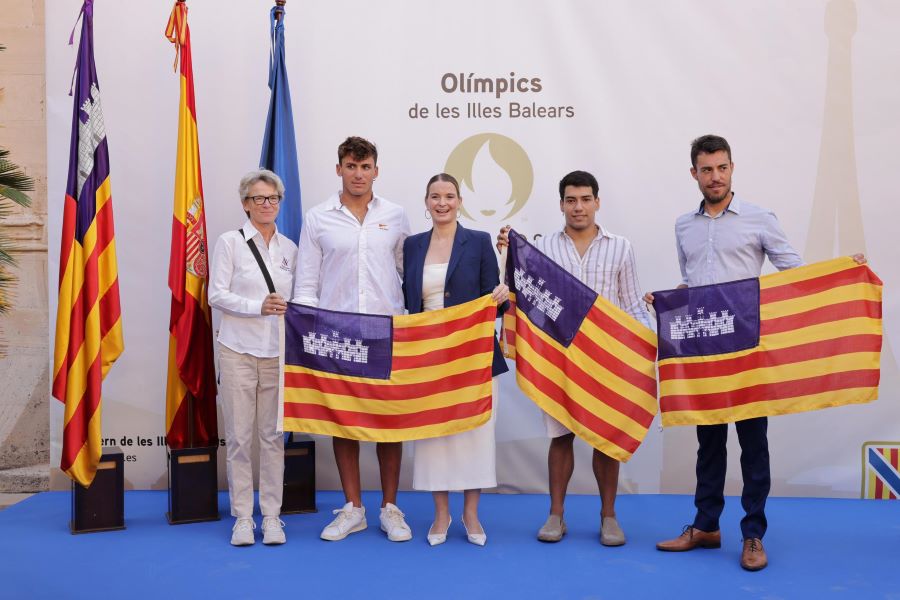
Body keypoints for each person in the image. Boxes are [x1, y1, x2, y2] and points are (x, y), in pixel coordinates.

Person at [647, 134, 866, 571]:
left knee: (753, 444)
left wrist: (841, 273)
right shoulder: (683, 225)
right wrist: (673, 297)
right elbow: (692, 282)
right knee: (707, 442)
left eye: (722, 168)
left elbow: (794, 274)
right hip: (703, 350)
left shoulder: (760, 218)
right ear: (694, 174)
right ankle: (706, 525)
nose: (715, 176)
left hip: (748, 348)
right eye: (706, 169)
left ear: (732, 169)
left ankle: (752, 535)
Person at [498, 170, 652, 546]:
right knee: (560, 437)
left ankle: (609, 517)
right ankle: (556, 514)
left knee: (605, 438)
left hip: (606, 359)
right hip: (560, 359)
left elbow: (631, 303)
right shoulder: (545, 246)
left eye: (585, 199)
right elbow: (525, 293)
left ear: (597, 202)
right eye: (571, 200)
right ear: (562, 204)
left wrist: (650, 343)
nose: (578, 207)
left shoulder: (621, 247)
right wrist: (508, 250)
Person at [292, 136, 413, 542]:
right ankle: (353, 508)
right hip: (335, 334)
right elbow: (307, 281)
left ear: (376, 170)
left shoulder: (396, 216)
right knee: (342, 421)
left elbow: (406, 274)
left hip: (385, 333)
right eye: (351, 166)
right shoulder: (317, 218)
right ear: (339, 168)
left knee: (387, 423)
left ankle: (390, 509)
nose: (358, 174)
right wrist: (307, 328)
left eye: (366, 167)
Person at [402, 173, 510, 546]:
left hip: (474, 356)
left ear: (460, 201)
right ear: (426, 201)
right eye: (435, 196)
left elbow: (495, 300)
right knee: (434, 437)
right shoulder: (412, 245)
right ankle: (441, 514)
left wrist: (500, 295)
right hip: (429, 357)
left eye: (449, 196)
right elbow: (408, 302)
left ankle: (471, 514)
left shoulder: (479, 242)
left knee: (476, 434)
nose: (442, 202)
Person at [209, 169, 297, 546]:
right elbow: (216, 294)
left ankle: (273, 516)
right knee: (240, 439)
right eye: (259, 199)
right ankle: (243, 517)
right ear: (245, 204)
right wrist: (256, 306)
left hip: (277, 354)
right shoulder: (230, 242)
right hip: (237, 352)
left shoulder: (290, 249)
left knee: (273, 437)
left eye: (273, 198)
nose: (267, 205)